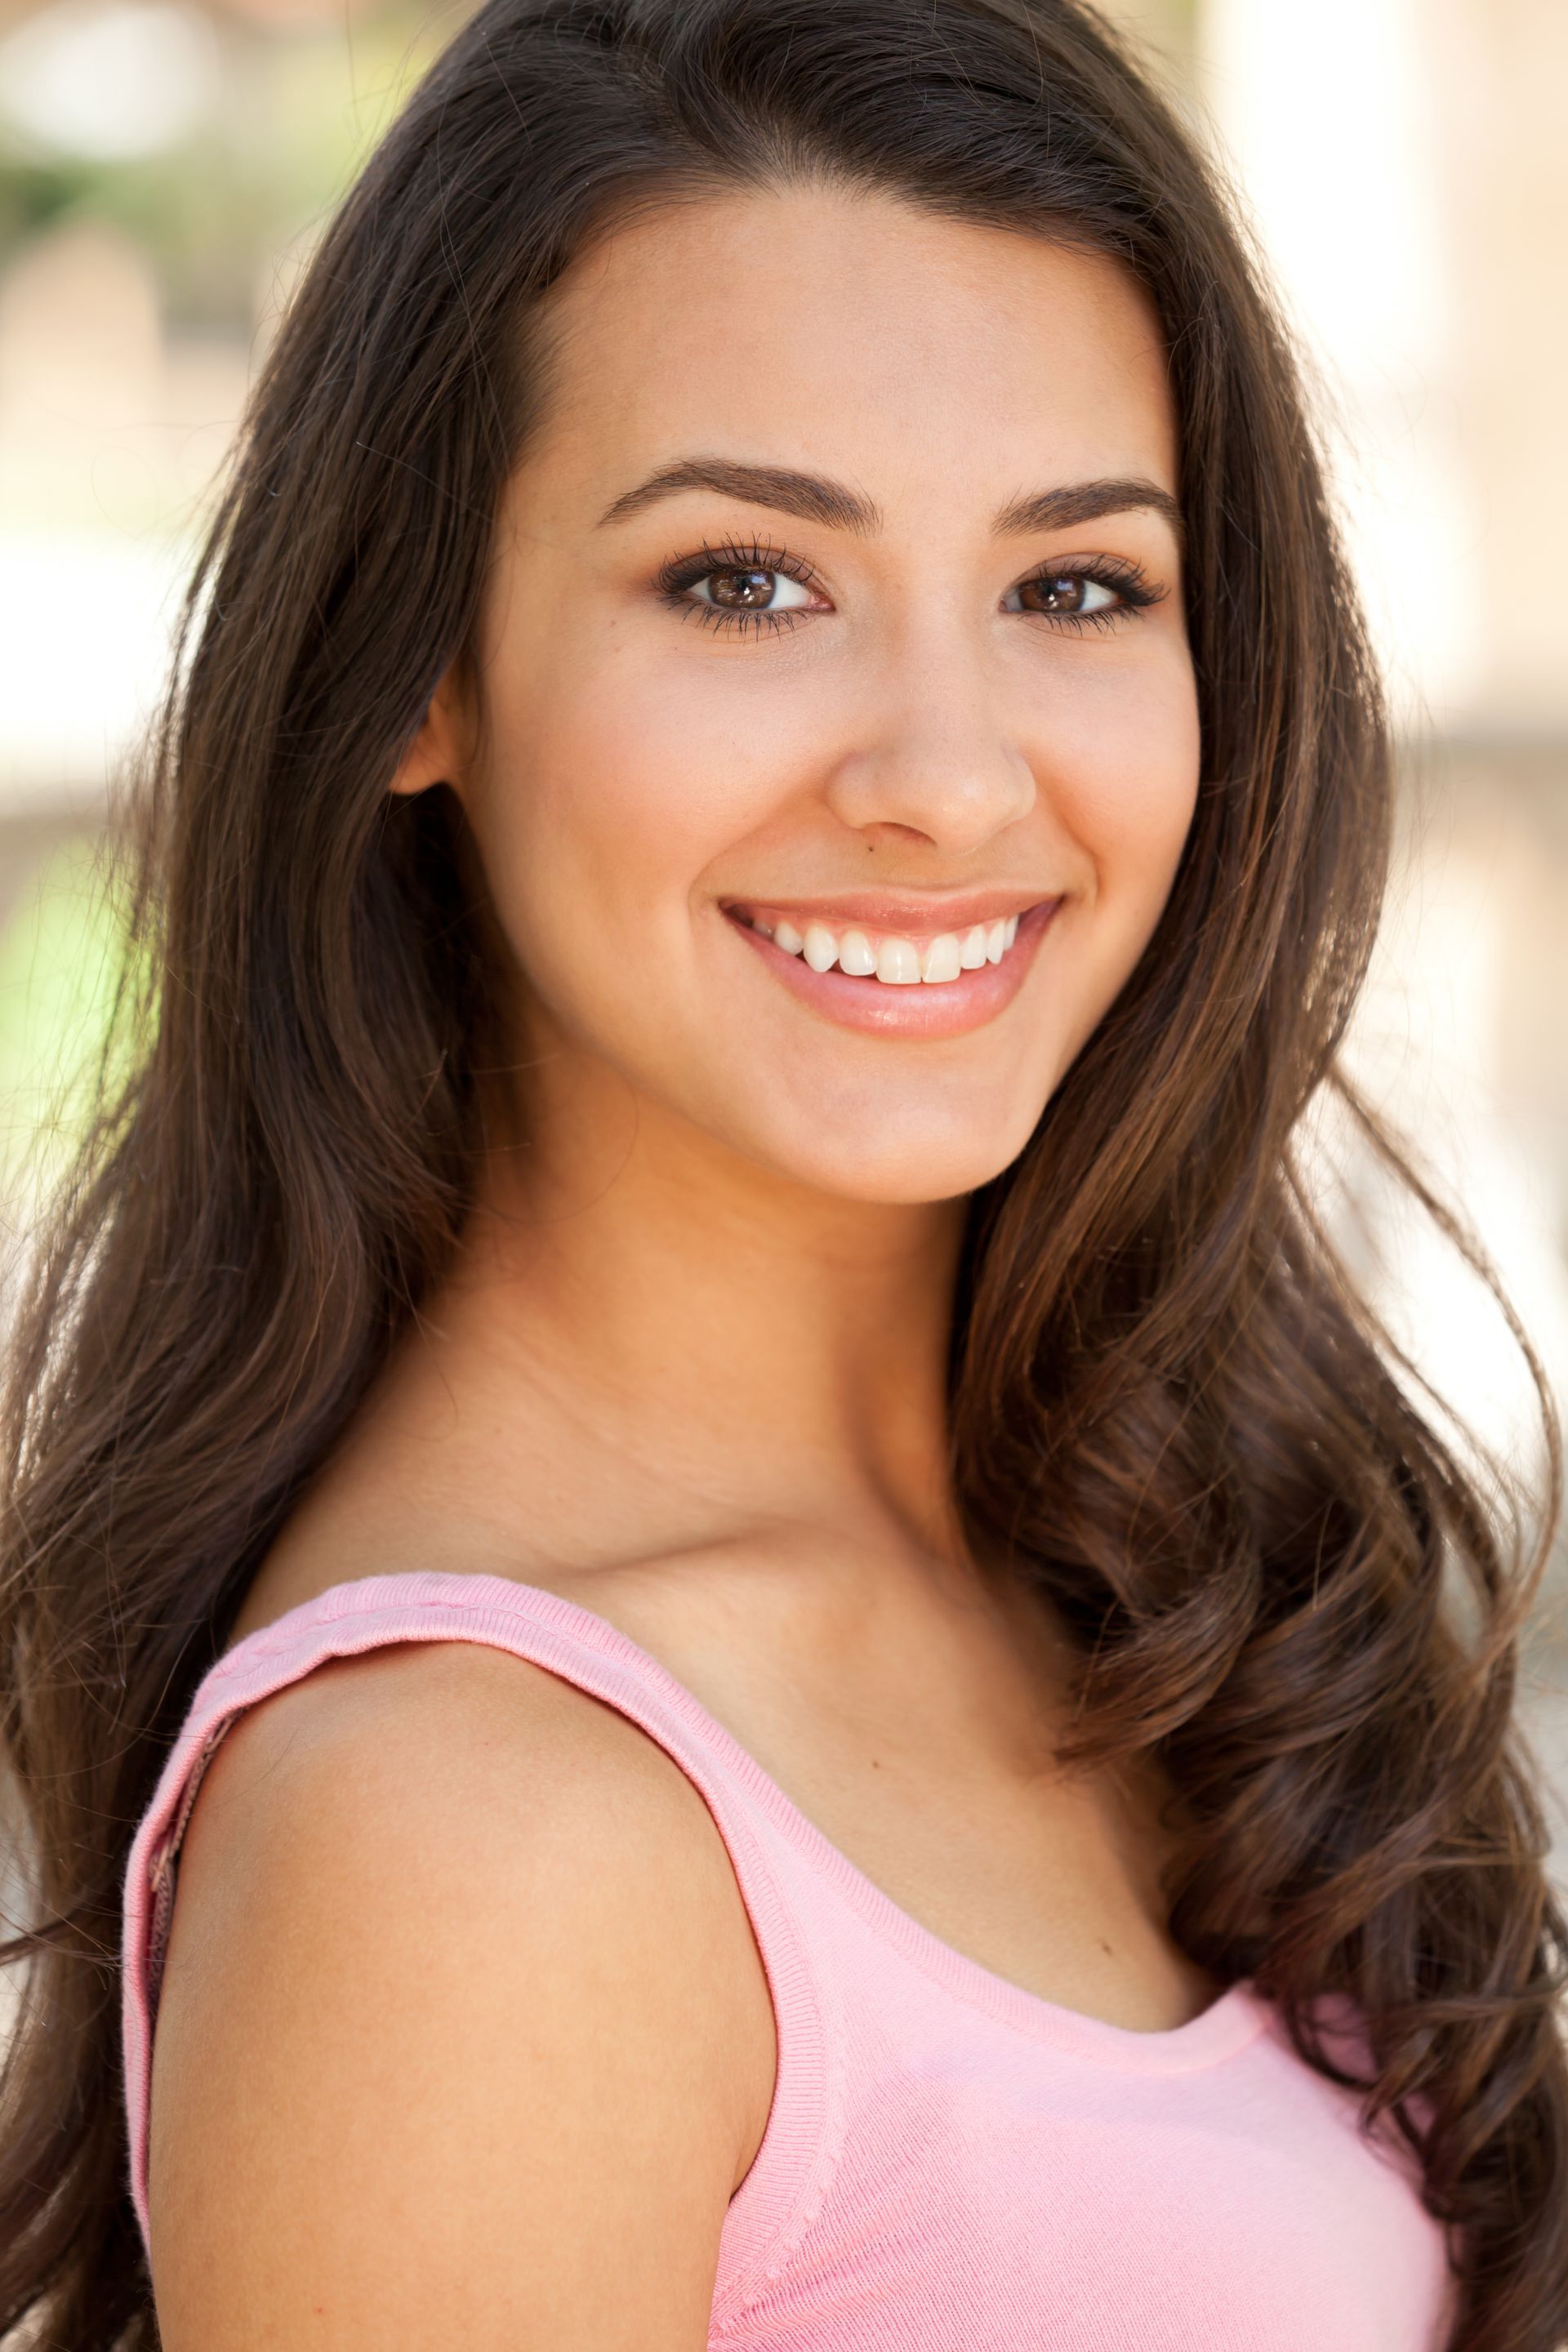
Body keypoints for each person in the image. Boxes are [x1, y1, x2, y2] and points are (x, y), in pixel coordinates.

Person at [1, 0, 1565, 2343]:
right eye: (745, 579)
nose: (948, 775)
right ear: (417, 667)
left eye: (1077, 587)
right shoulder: (464, 1837)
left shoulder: (1126, 1552)